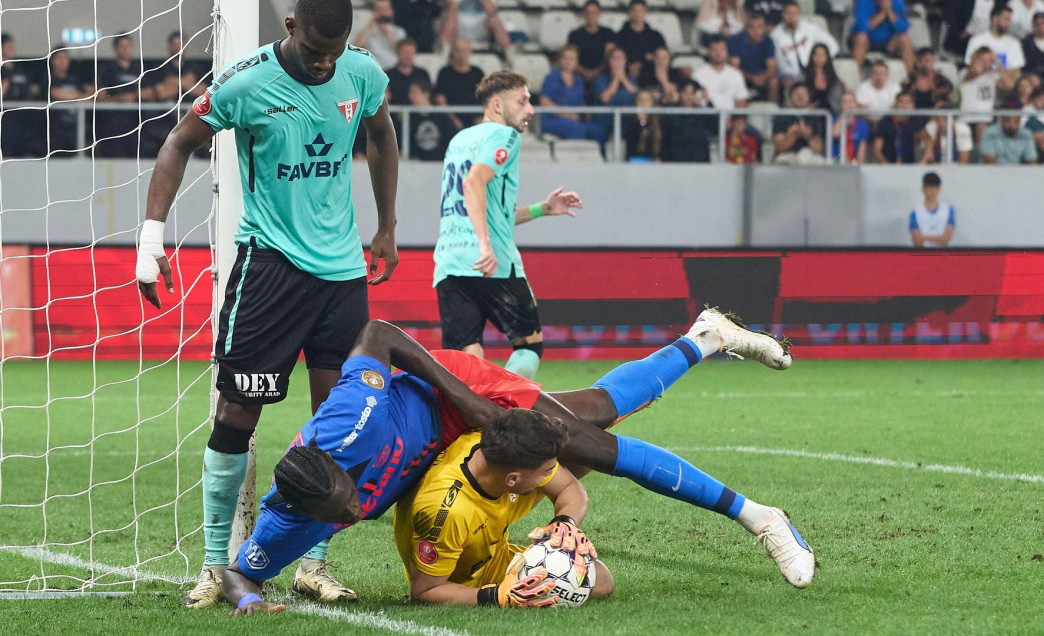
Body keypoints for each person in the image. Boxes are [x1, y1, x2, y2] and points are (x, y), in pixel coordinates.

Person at [220, 311, 808, 615]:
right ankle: (705, 338)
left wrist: (465, 399)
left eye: (349, 497)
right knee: (595, 414)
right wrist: (247, 599)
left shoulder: (352, 421)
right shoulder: (293, 516)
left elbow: (379, 334)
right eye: (339, 515)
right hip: (441, 456)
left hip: (453, 401)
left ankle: (761, 518)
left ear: (342, 465)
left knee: (589, 448)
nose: (353, 511)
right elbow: (240, 572)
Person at [134, 0, 400, 608]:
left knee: (339, 424)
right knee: (237, 415)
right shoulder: (246, 81)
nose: (323, 65)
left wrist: (386, 227)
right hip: (269, 271)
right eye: (313, 52)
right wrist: (152, 237)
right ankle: (211, 566)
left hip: (341, 276)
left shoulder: (361, 73)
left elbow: (381, 132)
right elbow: (178, 141)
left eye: (333, 53)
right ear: (290, 28)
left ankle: (315, 563)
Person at [433, 71, 579, 380]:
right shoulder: (504, 136)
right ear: (497, 105)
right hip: (493, 263)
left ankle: (475, 424)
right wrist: (484, 244)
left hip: (449, 263)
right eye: (523, 101)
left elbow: (485, 208)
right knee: (529, 345)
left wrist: (543, 208)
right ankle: (504, 414)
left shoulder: (460, 139)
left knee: (467, 358)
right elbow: (473, 184)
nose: (531, 109)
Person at [394, 412, 616, 606]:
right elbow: (424, 592)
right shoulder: (447, 512)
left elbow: (569, 487)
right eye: (546, 471)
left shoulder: (502, 451)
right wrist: (497, 596)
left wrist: (566, 523)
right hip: (457, 582)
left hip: (494, 558)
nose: (550, 476)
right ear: (513, 479)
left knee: (599, 580)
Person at [540, 45, 610, 150]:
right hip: (554, 120)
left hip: (576, 120)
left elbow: (581, 103)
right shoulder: (551, 78)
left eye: (572, 58)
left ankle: (602, 161)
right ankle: (576, 161)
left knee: (598, 131)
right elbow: (544, 101)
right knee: (576, 128)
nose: (568, 61)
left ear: (577, 61)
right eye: (565, 58)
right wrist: (566, 114)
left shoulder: (579, 81)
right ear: (560, 60)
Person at [95, 34, 145, 157]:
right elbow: (100, 96)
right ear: (116, 48)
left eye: (128, 45)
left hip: (136, 125)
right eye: (122, 46)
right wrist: (120, 99)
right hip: (112, 127)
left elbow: (152, 91)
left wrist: (135, 95)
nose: (125, 49)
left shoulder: (139, 68)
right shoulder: (107, 70)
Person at [770, 1, 839, 88]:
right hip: (790, 74)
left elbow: (833, 45)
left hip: (813, 69)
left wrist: (823, 60)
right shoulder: (775, 35)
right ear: (783, 14)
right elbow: (780, 62)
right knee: (787, 80)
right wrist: (795, 75)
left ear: (799, 14)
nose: (792, 17)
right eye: (788, 13)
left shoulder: (809, 28)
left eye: (795, 13)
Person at [959, 46, 1015, 143]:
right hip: (965, 117)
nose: (986, 63)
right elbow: (973, 74)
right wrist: (980, 65)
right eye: (982, 60)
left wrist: (998, 64)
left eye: (989, 60)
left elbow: (1010, 85)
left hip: (984, 118)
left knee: (981, 142)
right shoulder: (964, 73)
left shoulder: (992, 76)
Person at [1, 33, 44, 158]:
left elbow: (29, 92)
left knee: (21, 154)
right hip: (5, 121)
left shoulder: (20, 70)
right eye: (7, 45)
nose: (11, 48)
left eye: (12, 45)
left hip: (21, 120)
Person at [46, 47, 93, 156]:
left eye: (65, 57)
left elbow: (89, 99)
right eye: (59, 58)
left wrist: (70, 97)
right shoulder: (48, 78)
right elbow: (55, 93)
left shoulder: (74, 80)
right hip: (55, 132)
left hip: (75, 131)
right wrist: (77, 97)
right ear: (53, 60)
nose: (63, 61)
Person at [728, 12, 779, 103]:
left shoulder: (768, 42)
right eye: (752, 27)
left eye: (759, 27)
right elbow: (735, 67)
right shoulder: (735, 40)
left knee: (773, 82)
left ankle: (772, 112)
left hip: (762, 77)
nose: (756, 31)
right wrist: (751, 78)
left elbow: (771, 66)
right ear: (746, 27)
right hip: (743, 76)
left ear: (764, 28)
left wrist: (763, 77)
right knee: (734, 78)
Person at [435, 38, 485, 129]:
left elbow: (485, 97)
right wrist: (452, 119)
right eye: (458, 50)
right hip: (450, 120)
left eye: (464, 50)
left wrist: (481, 118)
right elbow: (440, 99)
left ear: (470, 52)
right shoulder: (444, 73)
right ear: (453, 52)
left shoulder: (478, 73)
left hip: (476, 119)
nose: (461, 54)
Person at [850, 0, 914, 73]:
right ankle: (853, 75)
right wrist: (882, 14)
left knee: (905, 39)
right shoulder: (864, 2)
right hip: (868, 42)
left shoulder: (897, 2)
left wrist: (889, 12)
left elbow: (904, 28)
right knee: (860, 37)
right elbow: (861, 27)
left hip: (889, 43)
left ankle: (908, 78)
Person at [772, 82, 827, 164]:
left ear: (809, 97)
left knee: (819, 161)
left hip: (809, 154)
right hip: (788, 154)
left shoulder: (816, 117)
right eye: (797, 93)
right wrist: (793, 135)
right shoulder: (782, 116)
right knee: (781, 160)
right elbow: (779, 148)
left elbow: (818, 149)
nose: (800, 96)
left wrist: (807, 135)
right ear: (790, 97)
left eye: (803, 93)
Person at [692, 37, 750, 111]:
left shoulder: (736, 74)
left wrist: (733, 117)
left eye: (721, 50)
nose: (718, 53)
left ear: (727, 51)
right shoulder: (698, 74)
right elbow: (695, 101)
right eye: (714, 50)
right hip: (706, 117)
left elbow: (741, 100)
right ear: (709, 52)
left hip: (730, 118)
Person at [440, 0, 512, 58]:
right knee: (451, 19)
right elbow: (448, 7)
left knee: (494, 20)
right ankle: (444, 54)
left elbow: (491, 10)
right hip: (458, 27)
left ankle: (510, 54)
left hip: (481, 27)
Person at [408, 78, 459, 160]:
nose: (410, 96)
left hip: (440, 164)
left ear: (426, 94)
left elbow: (452, 139)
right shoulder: (410, 118)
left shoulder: (441, 116)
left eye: (414, 92)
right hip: (417, 166)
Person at [614, 0, 668, 78]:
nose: (637, 14)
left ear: (646, 12)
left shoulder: (656, 35)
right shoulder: (620, 35)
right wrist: (643, 58)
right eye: (634, 10)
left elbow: (662, 56)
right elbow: (617, 57)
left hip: (652, 71)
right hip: (626, 72)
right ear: (629, 13)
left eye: (641, 10)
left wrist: (643, 61)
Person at [594, 46, 639, 137]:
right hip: (605, 122)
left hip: (626, 123)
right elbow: (605, 98)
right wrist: (616, 79)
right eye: (614, 58)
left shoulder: (632, 80)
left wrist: (623, 78)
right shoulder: (600, 79)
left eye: (620, 58)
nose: (617, 61)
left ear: (625, 61)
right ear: (609, 61)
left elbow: (637, 96)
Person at [663, 80, 712, 162]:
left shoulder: (702, 112)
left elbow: (714, 125)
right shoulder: (672, 111)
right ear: (679, 94)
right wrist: (670, 101)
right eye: (685, 93)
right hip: (675, 159)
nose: (688, 97)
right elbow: (666, 126)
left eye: (691, 93)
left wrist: (707, 100)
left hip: (698, 159)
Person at [965, 5, 1026, 71]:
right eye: (1006, 19)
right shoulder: (976, 40)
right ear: (995, 19)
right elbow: (969, 67)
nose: (1009, 23)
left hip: (1004, 80)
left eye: (1010, 20)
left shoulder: (1014, 43)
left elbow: (1016, 70)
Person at [568, 0, 617, 81]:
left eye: (594, 12)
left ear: (599, 13)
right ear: (583, 13)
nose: (591, 15)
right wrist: (585, 73)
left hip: (603, 74)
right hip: (579, 75)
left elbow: (609, 56)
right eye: (588, 12)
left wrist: (596, 72)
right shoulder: (574, 35)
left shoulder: (608, 33)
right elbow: (571, 57)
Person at [353, 0, 408, 71]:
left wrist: (387, 33)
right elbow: (354, 49)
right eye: (378, 9)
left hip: (395, 72)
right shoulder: (367, 31)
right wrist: (368, 28)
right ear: (373, 12)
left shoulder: (399, 31)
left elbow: (403, 52)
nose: (382, 13)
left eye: (385, 9)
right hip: (372, 71)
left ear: (391, 11)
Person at [920, 98, 973, 164]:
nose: (941, 124)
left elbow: (963, 161)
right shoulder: (931, 128)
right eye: (938, 120)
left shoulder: (963, 130)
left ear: (953, 120)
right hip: (936, 167)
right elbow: (928, 157)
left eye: (945, 120)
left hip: (957, 169)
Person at [909, 172, 955, 247]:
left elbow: (946, 238)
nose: (933, 191)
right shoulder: (915, 213)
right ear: (923, 189)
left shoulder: (949, 210)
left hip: (943, 255)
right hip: (923, 255)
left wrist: (923, 237)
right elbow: (917, 241)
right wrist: (939, 238)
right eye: (930, 187)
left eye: (936, 187)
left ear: (939, 189)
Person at [872, 91, 917, 163]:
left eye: (907, 102)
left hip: (909, 167)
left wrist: (922, 163)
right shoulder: (885, 122)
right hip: (887, 166)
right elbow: (877, 150)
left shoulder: (915, 122)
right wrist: (886, 165)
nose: (903, 105)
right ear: (895, 104)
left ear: (913, 106)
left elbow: (928, 140)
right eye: (900, 102)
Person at [386, 38, 432, 106]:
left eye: (411, 53)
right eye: (404, 52)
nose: (408, 56)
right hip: (394, 115)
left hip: (419, 114)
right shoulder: (387, 75)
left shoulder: (422, 74)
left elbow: (430, 98)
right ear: (397, 52)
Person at [623, 88, 664, 162]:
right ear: (636, 102)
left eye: (647, 100)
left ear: (652, 103)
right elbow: (630, 141)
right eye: (641, 100)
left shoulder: (659, 120)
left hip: (653, 160)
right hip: (633, 160)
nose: (643, 103)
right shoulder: (629, 120)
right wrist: (640, 122)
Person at [802, 42, 843, 113]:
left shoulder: (833, 77)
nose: (819, 58)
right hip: (808, 112)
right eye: (816, 55)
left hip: (830, 112)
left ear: (827, 57)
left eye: (822, 55)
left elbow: (836, 102)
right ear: (812, 56)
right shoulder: (803, 75)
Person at [833, 91, 870, 163]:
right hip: (835, 160)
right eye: (844, 102)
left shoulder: (862, 125)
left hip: (853, 160)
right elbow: (835, 134)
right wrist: (844, 116)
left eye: (850, 101)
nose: (848, 105)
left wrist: (860, 166)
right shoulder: (835, 119)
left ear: (855, 105)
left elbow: (862, 149)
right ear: (841, 105)